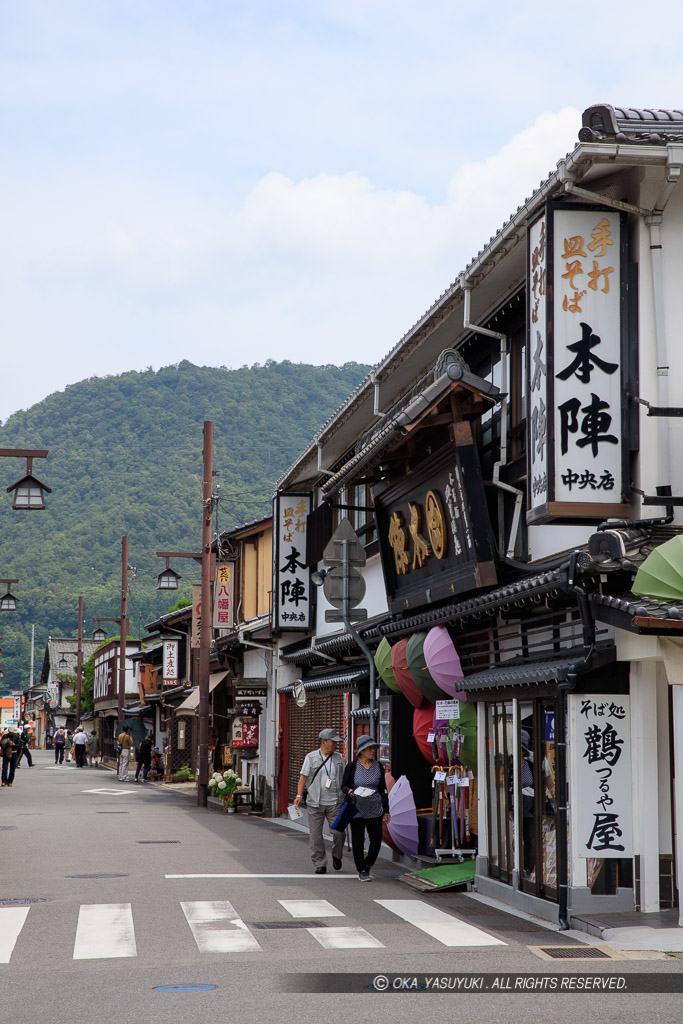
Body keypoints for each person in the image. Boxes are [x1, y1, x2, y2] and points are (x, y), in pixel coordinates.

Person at [293, 728, 345, 874]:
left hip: (335, 802)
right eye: (332, 742)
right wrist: (299, 795)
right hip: (315, 802)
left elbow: (345, 777)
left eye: (336, 742)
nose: (335, 744)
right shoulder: (311, 757)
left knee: (339, 832)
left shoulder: (339, 758)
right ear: (324, 742)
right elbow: (303, 777)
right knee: (315, 835)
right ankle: (319, 863)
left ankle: (337, 855)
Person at [342, 735, 390, 881]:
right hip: (357, 807)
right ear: (361, 751)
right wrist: (349, 791)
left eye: (374, 748)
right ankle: (361, 869)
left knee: (376, 839)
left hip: (375, 807)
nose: (373, 751)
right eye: (369, 748)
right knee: (358, 840)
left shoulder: (378, 766)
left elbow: (383, 789)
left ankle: (368, 863)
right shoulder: (352, 766)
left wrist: (386, 810)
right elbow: (344, 785)